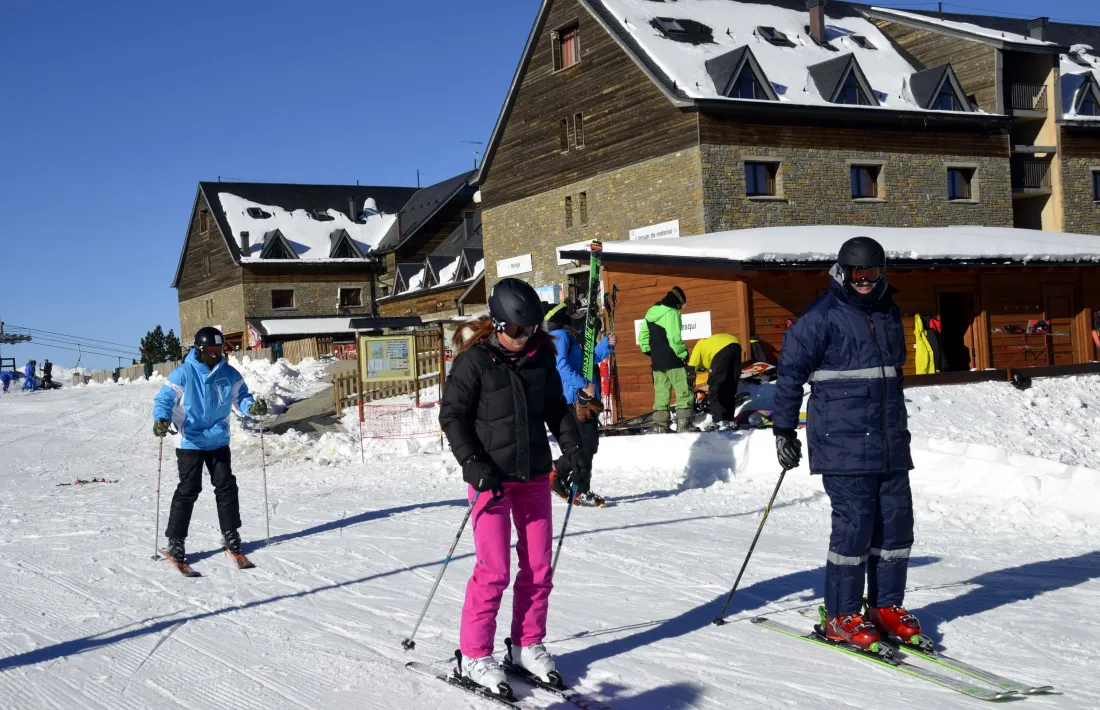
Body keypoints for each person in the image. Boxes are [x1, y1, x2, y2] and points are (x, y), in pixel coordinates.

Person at [438, 278, 588, 696]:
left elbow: (556, 409)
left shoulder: (542, 357)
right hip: (491, 479)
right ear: (498, 325)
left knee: (539, 567)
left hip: (535, 476)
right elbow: (452, 417)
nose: (524, 338)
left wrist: (573, 449)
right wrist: (472, 462)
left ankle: (525, 644)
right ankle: (473, 654)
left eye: (530, 330)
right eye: (516, 331)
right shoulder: (474, 363)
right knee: (494, 570)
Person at [772, 236, 918, 651]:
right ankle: (841, 616)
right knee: (854, 531)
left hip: (889, 442)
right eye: (858, 274)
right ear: (842, 272)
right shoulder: (819, 318)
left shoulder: (889, 311)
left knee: (896, 527)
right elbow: (788, 376)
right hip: (842, 444)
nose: (865, 281)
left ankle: (885, 606)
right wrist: (783, 431)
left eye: (872, 273)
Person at [152, 327, 267, 564]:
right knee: (189, 489)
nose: (215, 354)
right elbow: (164, 399)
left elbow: (242, 397)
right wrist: (161, 418)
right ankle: (176, 541)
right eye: (210, 350)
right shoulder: (183, 373)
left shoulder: (230, 374)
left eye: (218, 349)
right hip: (190, 441)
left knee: (226, 486)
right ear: (199, 349)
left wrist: (251, 407)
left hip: (217, 439)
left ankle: (231, 534)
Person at [543, 299, 617, 507]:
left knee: (588, 445)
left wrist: (606, 346)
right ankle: (581, 490)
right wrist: (583, 383)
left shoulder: (569, 336)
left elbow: (587, 360)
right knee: (584, 447)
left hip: (581, 398)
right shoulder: (560, 336)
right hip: (572, 400)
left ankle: (557, 472)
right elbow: (561, 366)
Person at [638, 286, 696, 432]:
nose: (680, 308)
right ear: (677, 301)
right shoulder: (672, 313)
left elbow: (643, 337)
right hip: (673, 358)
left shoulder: (650, 312)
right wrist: (683, 354)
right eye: (681, 305)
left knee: (661, 393)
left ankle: (661, 426)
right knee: (683, 390)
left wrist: (649, 351)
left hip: (657, 361)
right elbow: (674, 338)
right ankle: (684, 425)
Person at [688, 334, 742, 430]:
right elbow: (716, 371)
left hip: (721, 350)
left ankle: (719, 420)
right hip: (736, 345)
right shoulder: (710, 345)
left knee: (715, 389)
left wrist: (688, 384)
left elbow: (692, 366)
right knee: (729, 386)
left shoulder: (700, 344)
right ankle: (728, 419)